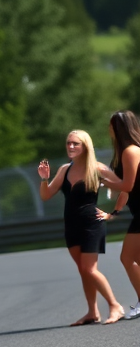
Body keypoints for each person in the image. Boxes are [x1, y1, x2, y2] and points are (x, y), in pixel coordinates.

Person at [38, 129, 124, 325]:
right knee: (83, 270)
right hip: (71, 224)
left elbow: (126, 187)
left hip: (92, 223)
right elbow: (45, 195)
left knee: (90, 269)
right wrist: (44, 178)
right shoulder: (64, 170)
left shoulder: (98, 168)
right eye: (68, 143)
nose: (70, 146)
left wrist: (113, 213)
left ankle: (114, 305)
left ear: (85, 146)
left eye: (75, 143)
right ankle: (92, 312)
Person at [96, 110, 140, 319]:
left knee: (127, 257)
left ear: (119, 128)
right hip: (137, 211)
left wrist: (101, 181)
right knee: (135, 258)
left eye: (111, 125)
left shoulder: (130, 151)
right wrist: (114, 211)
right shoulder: (127, 151)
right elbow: (125, 191)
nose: (108, 129)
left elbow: (127, 185)